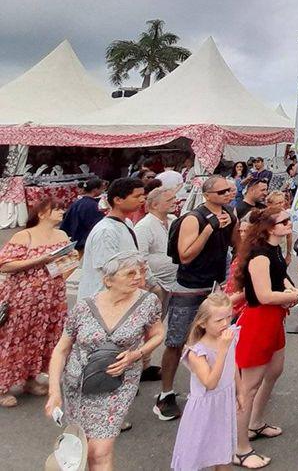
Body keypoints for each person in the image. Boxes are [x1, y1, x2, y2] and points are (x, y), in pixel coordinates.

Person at [45, 252, 164, 471]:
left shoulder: (148, 302)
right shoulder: (84, 308)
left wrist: (136, 354)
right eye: (130, 273)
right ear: (108, 280)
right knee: (83, 448)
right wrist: (54, 392)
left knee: (100, 451)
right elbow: (61, 349)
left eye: (140, 271)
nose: (137, 277)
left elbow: (158, 334)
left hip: (117, 384)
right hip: (78, 386)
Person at [157, 175, 237, 422]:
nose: (228, 194)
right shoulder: (195, 218)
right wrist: (210, 229)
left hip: (215, 287)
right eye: (222, 191)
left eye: (230, 190)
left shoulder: (231, 214)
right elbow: (185, 255)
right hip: (188, 287)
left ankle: (210, 386)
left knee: (215, 337)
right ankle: (165, 394)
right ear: (208, 194)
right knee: (176, 340)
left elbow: (237, 245)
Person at [232, 207, 298, 468]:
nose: (288, 224)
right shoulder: (260, 256)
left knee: (274, 370)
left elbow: (282, 279)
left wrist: (290, 291)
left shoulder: (272, 251)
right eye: (283, 222)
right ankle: (240, 448)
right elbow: (263, 295)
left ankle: (255, 423)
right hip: (260, 321)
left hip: (273, 320)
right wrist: (293, 296)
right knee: (248, 388)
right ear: (270, 228)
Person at [0, 199, 76, 408]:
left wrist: (67, 265)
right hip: (21, 299)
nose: (62, 212)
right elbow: (5, 264)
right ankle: (2, 386)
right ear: (42, 213)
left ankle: (30, 379)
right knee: (14, 339)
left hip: (51, 299)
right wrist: (40, 260)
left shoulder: (61, 235)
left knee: (40, 338)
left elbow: (66, 265)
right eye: (57, 209)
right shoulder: (25, 235)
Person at [170, 292, 241, 471]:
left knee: (223, 455)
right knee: (196, 456)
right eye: (218, 320)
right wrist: (223, 350)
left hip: (223, 403)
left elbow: (233, 364)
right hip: (204, 409)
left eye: (228, 317)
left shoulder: (229, 335)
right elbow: (210, 383)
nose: (225, 324)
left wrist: (240, 391)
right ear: (203, 323)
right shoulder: (197, 351)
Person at [77, 178, 146, 300]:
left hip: (121, 295)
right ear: (118, 200)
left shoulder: (127, 223)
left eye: (143, 195)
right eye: (137, 196)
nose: (142, 200)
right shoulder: (106, 231)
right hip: (102, 299)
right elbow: (108, 270)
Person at [136, 187, 179, 307]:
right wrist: (153, 284)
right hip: (155, 285)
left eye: (174, 198)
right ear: (155, 205)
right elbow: (140, 258)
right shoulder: (144, 226)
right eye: (169, 200)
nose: (174, 202)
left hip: (174, 282)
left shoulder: (173, 220)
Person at [60, 178, 105, 252]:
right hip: (86, 241)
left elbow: (67, 220)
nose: (102, 191)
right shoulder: (93, 205)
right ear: (95, 190)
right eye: (101, 189)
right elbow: (96, 224)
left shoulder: (76, 203)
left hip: (75, 238)